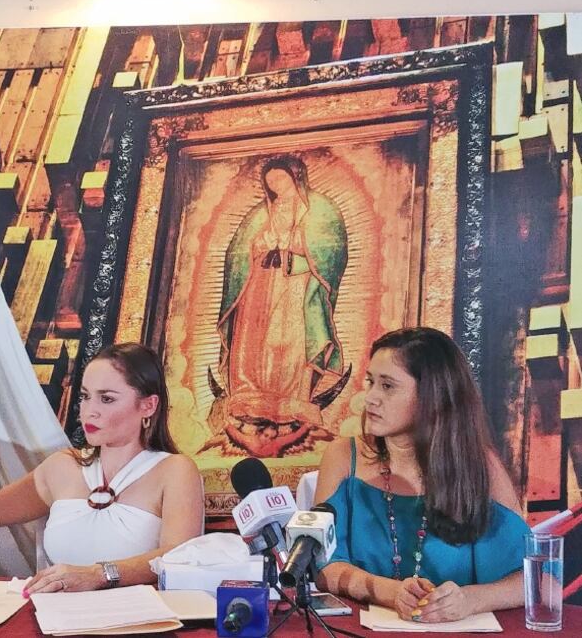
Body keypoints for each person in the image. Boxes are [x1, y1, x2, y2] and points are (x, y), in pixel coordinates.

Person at [313, 327, 530, 623]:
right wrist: (390, 592)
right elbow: (324, 567)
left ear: (433, 396)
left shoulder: (482, 466)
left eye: (388, 386)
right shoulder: (341, 457)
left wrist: (472, 599)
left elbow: (534, 579)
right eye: (371, 382)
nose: (370, 399)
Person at [0, 342, 204, 595]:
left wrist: (98, 574)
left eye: (107, 399)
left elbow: (178, 558)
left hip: (138, 624)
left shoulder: (175, 470)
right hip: (57, 623)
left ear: (148, 406)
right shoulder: (62, 466)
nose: (89, 411)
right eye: (85, 396)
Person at [211, 154, 349, 455]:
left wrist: (293, 250)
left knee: (290, 338)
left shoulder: (318, 211)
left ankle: (294, 396)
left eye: (281, 179)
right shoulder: (260, 215)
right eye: (270, 181)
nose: (275, 186)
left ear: (295, 178)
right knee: (256, 339)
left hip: (297, 285)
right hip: (261, 285)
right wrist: (259, 248)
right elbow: (237, 256)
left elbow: (329, 254)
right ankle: (250, 393)